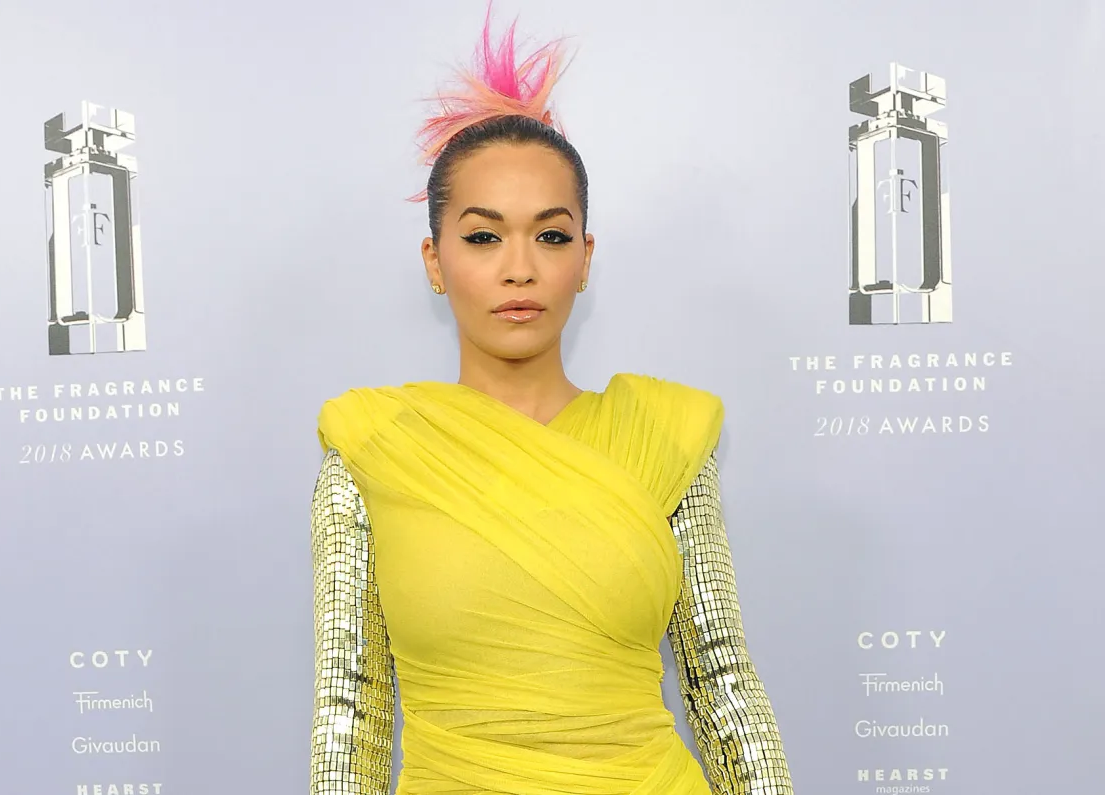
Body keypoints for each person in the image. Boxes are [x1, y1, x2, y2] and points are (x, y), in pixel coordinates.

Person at [309, 6, 794, 794]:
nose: (520, 268)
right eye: (483, 236)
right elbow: (350, 709)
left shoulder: (663, 436)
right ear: (434, 261)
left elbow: (723, 686)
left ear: (585, 258)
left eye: (551, 235)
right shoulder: (373, 447)